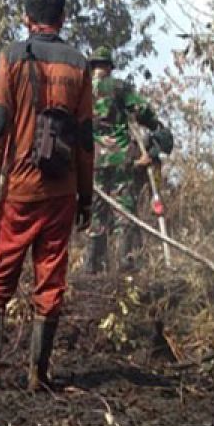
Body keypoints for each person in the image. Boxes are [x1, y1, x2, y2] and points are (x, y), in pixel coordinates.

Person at [0, 0, 95, 393]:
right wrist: (85, 195)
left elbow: (0, 125)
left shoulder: (13, 57)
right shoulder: (79, 64)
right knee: (51, 278)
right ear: (62, 18)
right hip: (62, 191)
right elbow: (85, 138)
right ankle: (39, 373)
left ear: (27, 18)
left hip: (20, 189)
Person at [85, 46, 162, 274]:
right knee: (123, 212)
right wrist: (155, 126)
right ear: (109, 66)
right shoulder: (119, 87)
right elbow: (142, 110)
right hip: (121, 159)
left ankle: (92, 268)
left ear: (93, 67)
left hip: (93, 161)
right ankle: (124, 267)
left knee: (96, 213)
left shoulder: (82, 90)